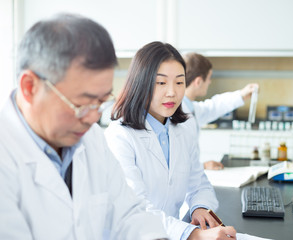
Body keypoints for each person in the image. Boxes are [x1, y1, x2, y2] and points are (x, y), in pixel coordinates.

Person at [0, 14, 168, 240]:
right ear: (30, 87)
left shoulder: (92, 139)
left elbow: (128, 215)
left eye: (100, 102)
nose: (92, 118)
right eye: (80, 104)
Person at [104, 41, 237, 240]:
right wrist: (195, 235)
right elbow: (136, 208)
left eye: (179, 82)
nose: (172, 92)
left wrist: (199, 208)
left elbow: (199, 183)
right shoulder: (120, 135)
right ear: (141, 83)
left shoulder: (185, 126)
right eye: (161, 83)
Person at [182, 53, 259, 170]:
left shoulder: (191, 108)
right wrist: (203, 166)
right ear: (198, 82)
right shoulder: (176, 112)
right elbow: (176, 161)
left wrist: (241, 95)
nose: (210, 82)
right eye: (209, 78)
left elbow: (213, 107)